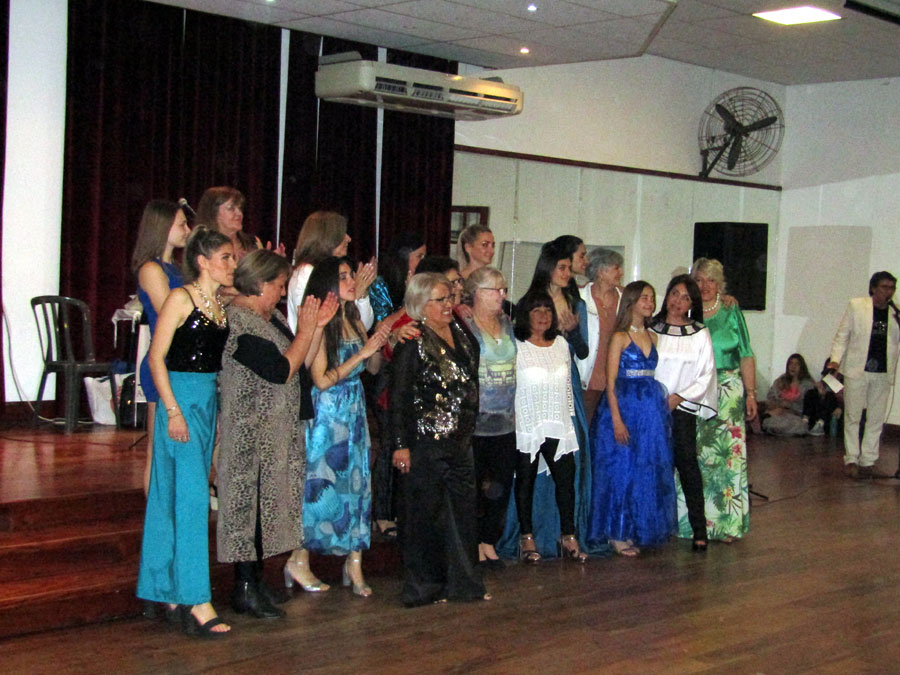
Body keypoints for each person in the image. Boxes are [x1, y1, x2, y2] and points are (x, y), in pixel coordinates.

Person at [217, 250, 338, 619]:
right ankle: (244, 588)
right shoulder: (237, 323)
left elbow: (300, 361)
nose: (283, 293)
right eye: (279, 285)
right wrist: (306, 330)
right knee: (248, 512)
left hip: (276, 431)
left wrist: (317, 327)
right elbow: (281, 370)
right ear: (259, 283)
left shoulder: (268, 318)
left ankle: (256, 583)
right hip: (251, 432)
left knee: (265, 511)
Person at [136, 226, 234, 637]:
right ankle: (196, 599)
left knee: (174, 497)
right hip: (180, 399)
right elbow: (156, 358)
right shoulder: (181, 298)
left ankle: (164, 588)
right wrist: (173, 412)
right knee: (191, 500)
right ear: (203, 261)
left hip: (205, 400)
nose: (232, 264)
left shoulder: (218, 304)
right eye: (226, 257)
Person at [390, 272, 489, 606]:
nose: (448, 304)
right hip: (425, 442)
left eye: (450, 298)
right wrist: (400, 445)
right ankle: (425, 587)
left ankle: (463, 584)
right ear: (421, 303)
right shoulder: (413, 341)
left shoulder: (460, 330)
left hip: (460, 440)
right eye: (440, 299)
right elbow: (399, 397)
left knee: (463, 513)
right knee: (425, 517)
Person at [300, 257, 389, 597]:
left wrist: (377, 341)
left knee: (358, 483)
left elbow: (373, 368)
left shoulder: (353, 317)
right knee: (320, 484)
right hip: (327, 413)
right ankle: (299, 558)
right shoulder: (322, 323)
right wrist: (362, 354)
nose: (352, 281)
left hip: (353, 408)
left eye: (351, 274)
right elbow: (321, 380)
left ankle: (355, 561)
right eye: (343, 277)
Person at [588, 281, 675, 556]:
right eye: (644, 298)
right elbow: (611, 381)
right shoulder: (620, 337)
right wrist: (616, 419)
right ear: (632, 302)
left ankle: (637, 528)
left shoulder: (654, 337)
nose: (650, 303)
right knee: (621, 470)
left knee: (645, 468)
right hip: (623, 407)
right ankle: (617, 532)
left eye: (651, 298)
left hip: (649, 410)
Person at [512, 291, 587, 564]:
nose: (543, 315)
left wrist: (569, 420)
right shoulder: (517, 346)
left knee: (566, 481)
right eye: (536, 310)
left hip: (558, 421)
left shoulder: (562, 345)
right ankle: (526, 538)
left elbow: (567, 388)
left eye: (547, 310)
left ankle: (568, 536)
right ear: (526, 315)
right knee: (525, 481)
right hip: (527, 422)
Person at [650, 275, 717, 551]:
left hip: (683, 408)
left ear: (692, 304)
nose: (678, 301)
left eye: (686, 297)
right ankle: (653, 527)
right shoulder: (650, 328)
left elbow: (706, 373)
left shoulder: (699, 333)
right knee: (654, 466)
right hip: (651, 407)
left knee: (687, 466)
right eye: (675, 293)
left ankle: (699, 529)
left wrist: (678, 397)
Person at [692, 258, 756, 542]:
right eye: (699, 280)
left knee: (727, 458)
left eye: (711, 280)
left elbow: (746, 353)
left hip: (729, 392)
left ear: (720, 284)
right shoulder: (687, 310)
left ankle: (726, 524)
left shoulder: (731, 309)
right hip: (696, 390)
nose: (705, 286)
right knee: (698, 457)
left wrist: (752, 393)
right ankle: (695, 523)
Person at [132, 200, 191, 495]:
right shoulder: (151, 269)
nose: (187, 230)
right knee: (158, 451)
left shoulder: (175, 268)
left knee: (178, 448)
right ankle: (156, 513)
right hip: (163, 360)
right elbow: (171, 314)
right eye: (181, 224)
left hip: (180, 360)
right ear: (162, 228)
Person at [462, 267, 517, 569]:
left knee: (500, 486)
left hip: (505, 421)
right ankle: (471, 543)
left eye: (503, 289)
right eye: (496, 289)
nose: (502, 295)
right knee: (472, 488)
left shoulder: (507, 323)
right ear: (477, 293)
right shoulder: (465, 326)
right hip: (474, 423)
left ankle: (488, 541)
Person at [829, 272, 900, 478]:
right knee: (853, 416)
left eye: (892, 288)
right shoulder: (857, 306)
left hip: (882, 372)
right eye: (884, 287)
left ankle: (868, 461)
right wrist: (835, 360)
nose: (888, 292)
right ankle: (852, 458)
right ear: (873, 288)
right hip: (857, 369)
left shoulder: (895, 313)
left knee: (876, 418)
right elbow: (842, 335)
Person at [287, 210, 375, 332]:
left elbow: (363, 327)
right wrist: (356, 292)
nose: (349, 239)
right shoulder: (305, 273)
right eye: (343, 234)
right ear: (328, 238)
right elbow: (318, 328)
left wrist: (362, 295)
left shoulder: (339, 268)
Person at [577, 248, 625, 423]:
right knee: (585, 427)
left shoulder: (625, 299)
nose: (621, 272)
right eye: (616, 268)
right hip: (586, 377)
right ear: (600, 271)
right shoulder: (580, 297)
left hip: (616, 380)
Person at [368, 232, 426, 323]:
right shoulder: (380, 284)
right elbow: (384, 325)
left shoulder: (423, 280)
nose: (424, 261)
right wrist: (410, 298)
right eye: (419, 256)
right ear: (404, 257)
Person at [762, 354, 817, 437]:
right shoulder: (780, 380)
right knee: (769, 421)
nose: (793, 366)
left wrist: (789, 406)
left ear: (802, 367)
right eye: (791, 363)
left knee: (799, 425)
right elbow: (770, 398)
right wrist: (779, 405)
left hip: (795, 416)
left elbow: (808, 407)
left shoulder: (808, 385)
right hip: (777, 413)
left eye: (797, 364)